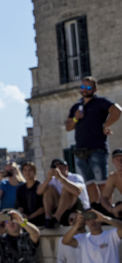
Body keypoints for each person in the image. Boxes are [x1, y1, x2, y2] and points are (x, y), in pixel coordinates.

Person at [66, 77, 122, 206]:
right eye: (83, 87)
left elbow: (117, 110)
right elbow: (68, 127)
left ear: (95, 89)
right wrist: (75, 118)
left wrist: (106, 125)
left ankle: (108, 210)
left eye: (88, 87)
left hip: (97, 148)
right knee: (89, 184)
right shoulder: (76, 106)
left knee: (102, 183)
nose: (85, 90)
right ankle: (95, 210)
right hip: (80, 150)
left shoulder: (100, 102)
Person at [37, 158, 89, 228]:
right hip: (62, 209)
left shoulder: (76, 177)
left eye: (60, 168)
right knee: (48, 189)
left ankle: (56, 219)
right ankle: (48, 218)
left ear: (66, 168)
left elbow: (77, 191)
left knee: (66, 188)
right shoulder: (52, 179)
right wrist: (47, 179)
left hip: (78, 208)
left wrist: (60, 178)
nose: (58, 171)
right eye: (56, 169)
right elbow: (39, 192)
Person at [13, 162, 45, 227]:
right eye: (25, 170)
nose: (27, 172)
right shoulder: (20, 189)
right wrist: (21, 215)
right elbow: (19, 206)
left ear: (35, 172)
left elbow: (43, 208)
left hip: (40, 222)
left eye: (30, 170)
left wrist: (30, 217)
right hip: (25, 223)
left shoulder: (40, 186)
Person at [101, 149, 122, 218]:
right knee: (96, 208)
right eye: (117, 159)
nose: (120, 162)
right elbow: (104, 198)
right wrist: (110, 209)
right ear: (113, 161)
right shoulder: (113, 177)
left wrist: (117, 209)